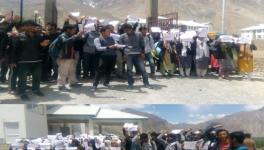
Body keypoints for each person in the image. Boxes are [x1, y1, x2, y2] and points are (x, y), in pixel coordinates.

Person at [11, 20, 49, 100]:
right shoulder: (19, 36)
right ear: (25, 27)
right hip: (23, 61)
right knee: (22, 78)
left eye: (33, 26)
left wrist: (43, 46)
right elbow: (14, 50)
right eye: (30, 25)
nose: (32, 27)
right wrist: (13, 61)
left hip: (37, 60)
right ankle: (22, 92)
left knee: (37, 76)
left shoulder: (39, 37)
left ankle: (35, 89)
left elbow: (41, 47)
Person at [119, 24, 152, 89]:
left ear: (131, 29)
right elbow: (121, 47)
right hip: (128, 55)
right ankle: (130, 84)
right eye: (125, 30)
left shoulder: (139, 34)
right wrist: (124, 55)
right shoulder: (122, 36)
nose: (127, 31)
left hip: (138, 54)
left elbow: (142, 44)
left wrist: (142, 53)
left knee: (143, 69)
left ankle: (146, 83)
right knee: (129, 70)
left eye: (128, 30)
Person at [56, 24, 83, 91]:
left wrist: (78, 37)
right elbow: (65, 42)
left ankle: (72, 82)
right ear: (68, 30)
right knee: (63, 71)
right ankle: (61, 85)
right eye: (73, 29)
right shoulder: (62, 36)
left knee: (72, 70)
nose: (74, 31)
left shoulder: (69, 36)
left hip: (71, 56)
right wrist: (75, 36)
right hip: (64, 57)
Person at [92, 26, 118, 91]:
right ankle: (95, 85)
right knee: (99, 71)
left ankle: (106, 82)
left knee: (109, 70)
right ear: (103, 32)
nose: (110, 32)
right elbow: (98, 48)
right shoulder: (97, 39)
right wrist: (109, 47)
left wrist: (117, 46)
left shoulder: (111, 38)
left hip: (112, 56)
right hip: (103, 57)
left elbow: (116, 44)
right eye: (108, 31)